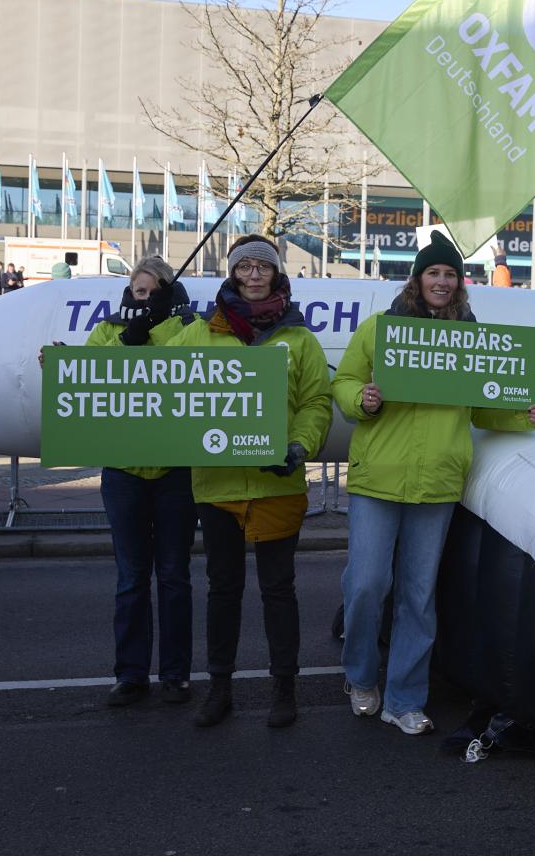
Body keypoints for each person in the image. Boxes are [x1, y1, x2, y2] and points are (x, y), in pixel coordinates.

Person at [334, 232, 535, 734]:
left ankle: (404, 698)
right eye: (434, 273)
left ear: (460, 284)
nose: (443, 282)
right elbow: (342, 383)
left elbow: (485, 405)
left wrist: (524, 416)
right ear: (417, 279)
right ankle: (360, 676)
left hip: (438, 482)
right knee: (366, 585)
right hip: (378, 478)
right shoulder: (380, 330)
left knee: (418, 595)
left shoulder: (472, 338)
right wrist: (360, 398)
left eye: (450, 274)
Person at [172, 235, 333, 728]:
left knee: (278, 591)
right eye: (245, 266)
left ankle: (284, 687)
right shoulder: (200, 332)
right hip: (217, 486)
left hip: (277, 485)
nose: (255, 274)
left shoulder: (299, 339)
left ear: (277, 274)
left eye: (263, 266)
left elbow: (315, 403)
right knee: (222, 590)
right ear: (233, 273)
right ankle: (220, 687)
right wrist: (73, 362)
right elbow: (144, 370)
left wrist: (300, 447)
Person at [83, 257, 198, 706]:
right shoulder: (108, 330)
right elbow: (88, 376)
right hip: (124, 472)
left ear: (166, 292)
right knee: (131, 578)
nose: (138, 297)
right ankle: (131, 673)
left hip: (174, 472)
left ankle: (176, 674)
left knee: (173, 576)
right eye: (135, 289)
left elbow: (190, 371)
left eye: (148, 291)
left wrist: (150, 339)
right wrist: (125, 343)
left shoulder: (189, 329)